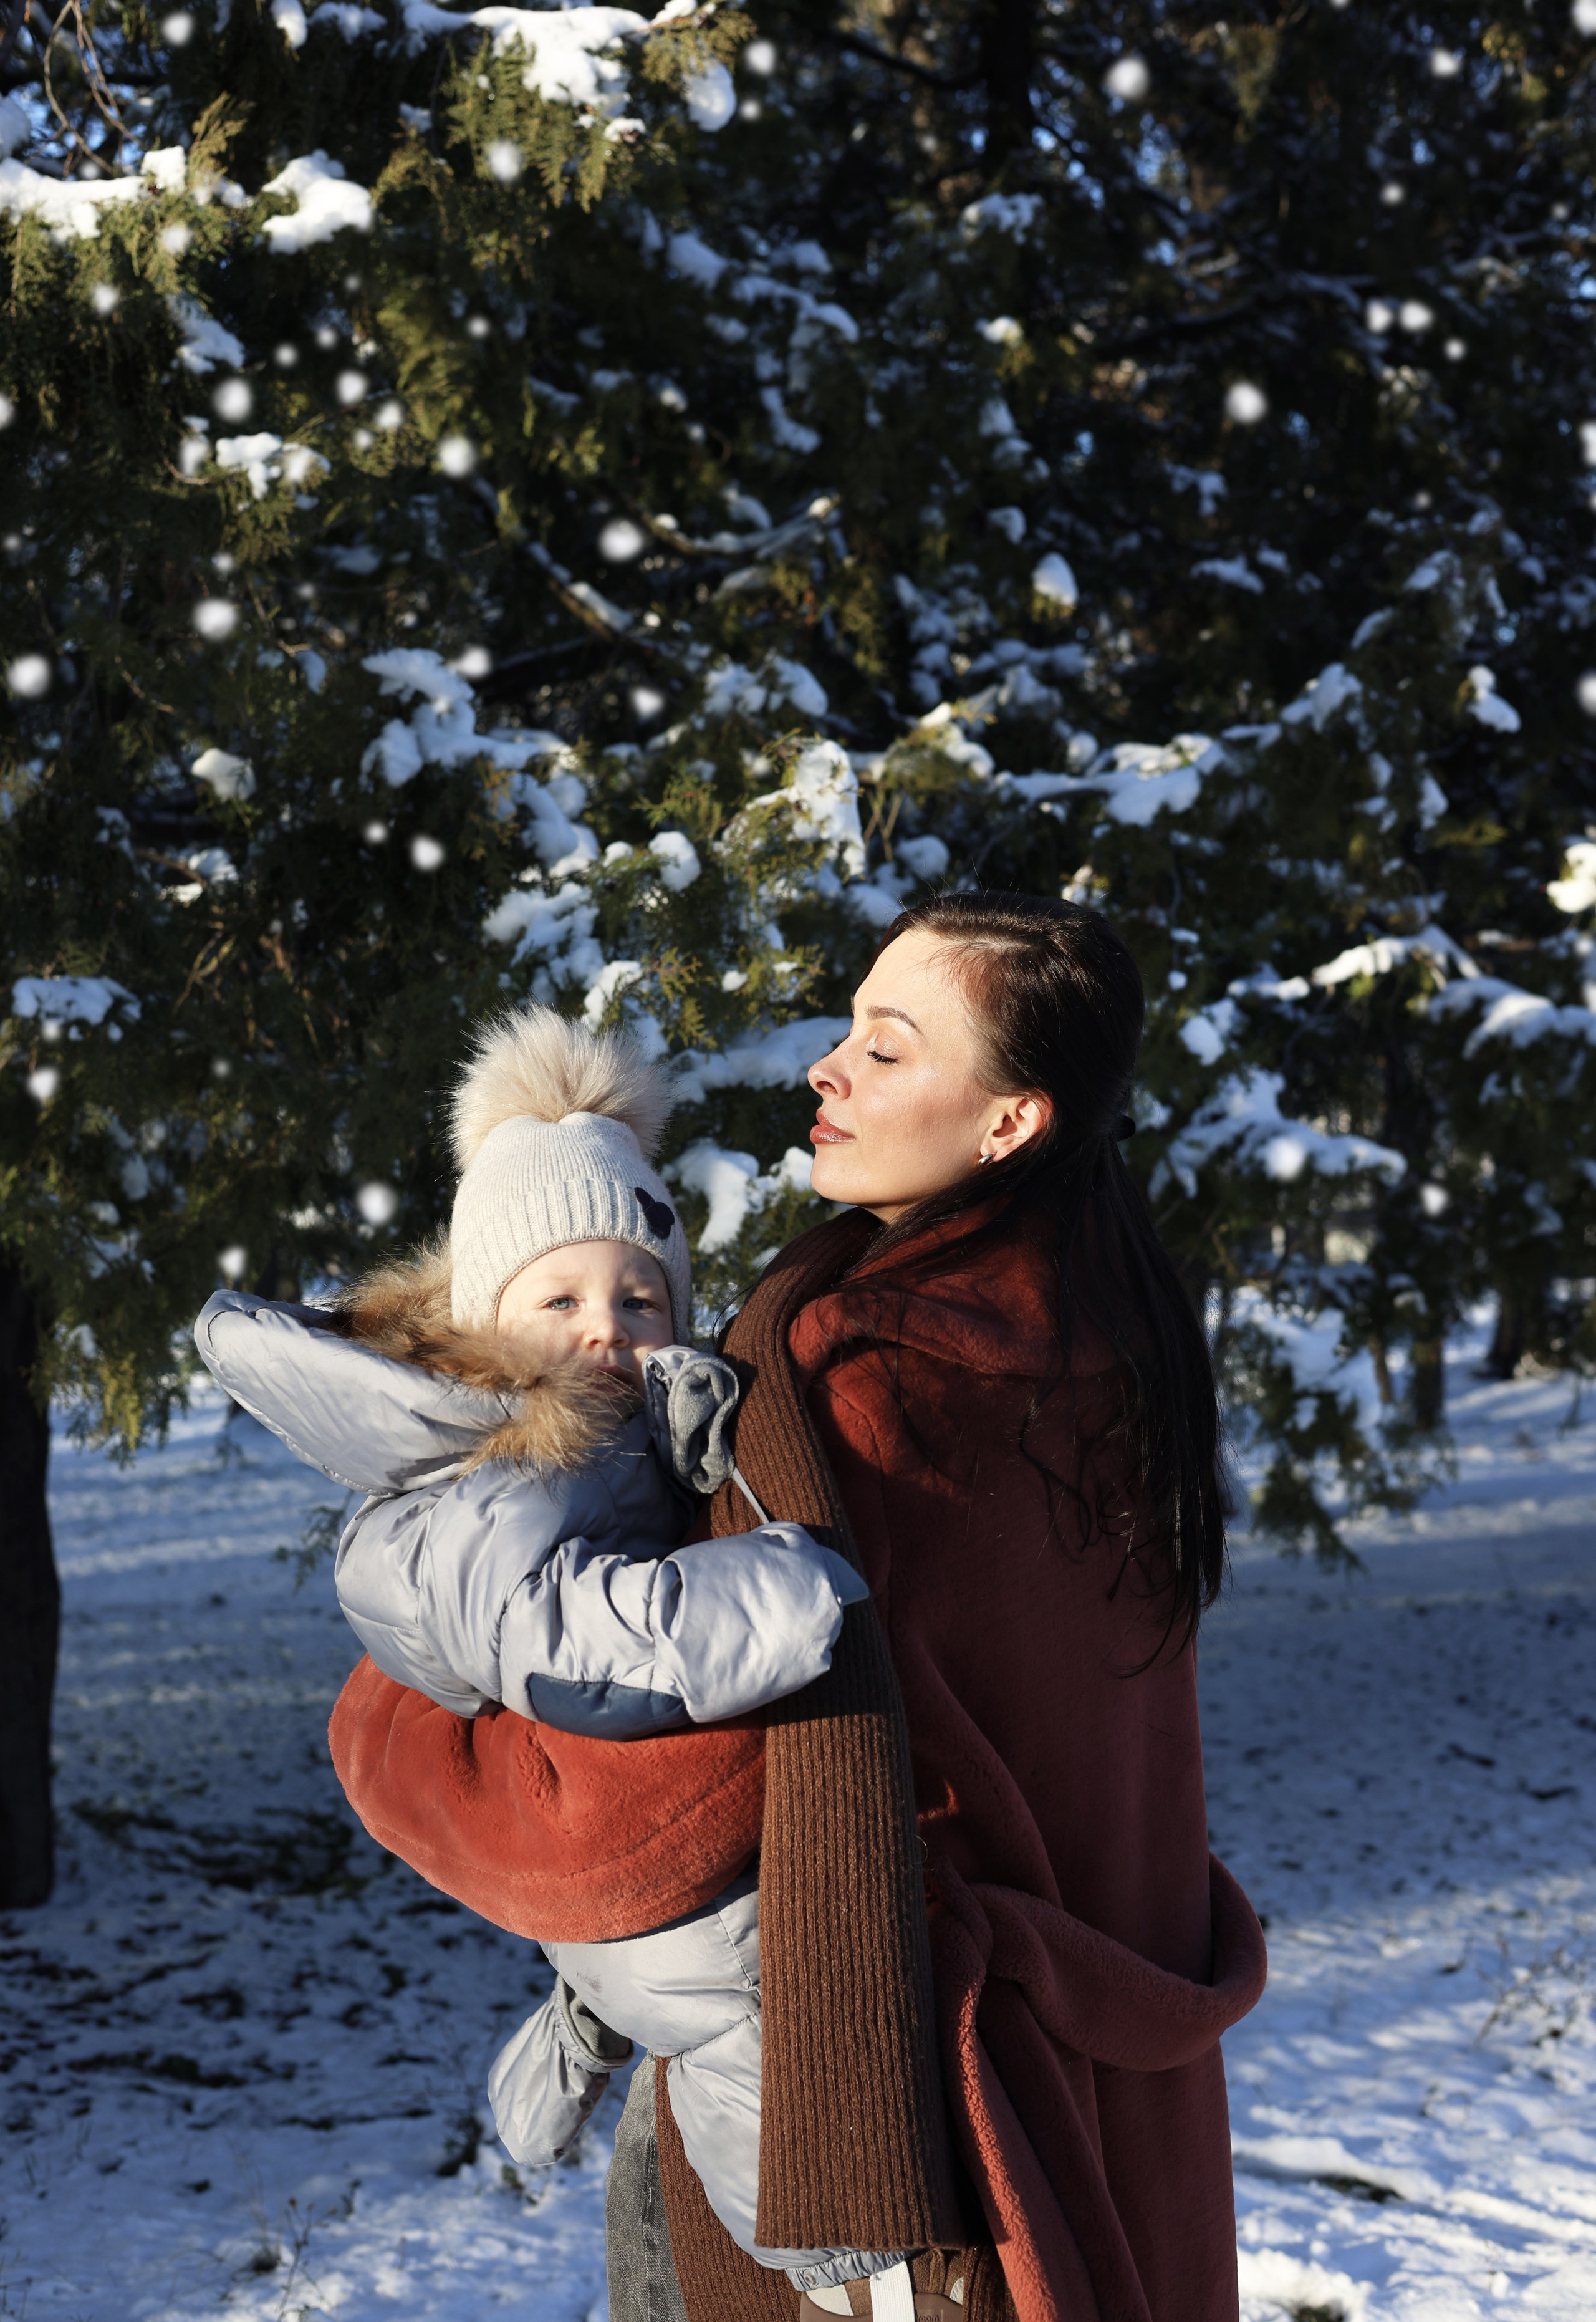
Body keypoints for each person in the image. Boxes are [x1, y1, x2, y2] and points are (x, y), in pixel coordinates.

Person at [334, 896, 1269, 2322]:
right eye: (845, 1029)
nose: (826, 1068)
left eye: (886, 1049)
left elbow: (646, 1813)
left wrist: (392, 1716)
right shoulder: (1114, 1338)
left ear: (1009, 1121)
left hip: (879, 2121)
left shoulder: (848, 1380)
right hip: (1115, 2094)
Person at [191, 1007, 900, 2295]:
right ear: (483, 1315)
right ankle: (821, 2241)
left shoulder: (592, 1428)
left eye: (641, 1295)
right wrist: (788, 1587)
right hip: (629, 1830)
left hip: (589, 1831)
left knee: (621, 1978)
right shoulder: (499, 1468)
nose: (608, 1326)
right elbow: (567, 1640)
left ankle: (561, 2053)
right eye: (561, 1296)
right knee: (734, 1998)